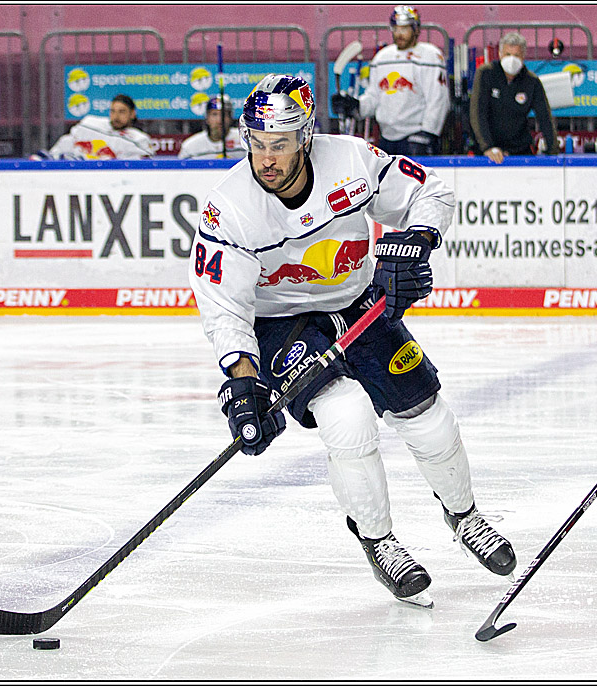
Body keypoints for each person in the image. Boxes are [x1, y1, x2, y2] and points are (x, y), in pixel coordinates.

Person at [188, 74, 515, 608]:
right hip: (283, 323)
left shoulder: (353, 162)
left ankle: (465, 516)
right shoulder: (229, 209)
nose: (266, 158)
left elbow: (430, 190)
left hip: (362, 304)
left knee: (427, 416)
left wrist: (415, 244)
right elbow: (224, 305)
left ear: (307, 136)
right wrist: (243, 383)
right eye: (257, 143)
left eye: (280, 143)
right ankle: (380, 541)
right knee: (348, 416)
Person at [330, 6, 450, 156]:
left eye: (404, 29)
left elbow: (437, 99)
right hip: (387, 138)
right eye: (396, 29)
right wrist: (356, 106)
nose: (399, 34)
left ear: (416, 29)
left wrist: (428, 132)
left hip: (417, 136)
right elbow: (374, 97)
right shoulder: (382, 58)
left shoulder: (430, 56)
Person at [470, 32, 559, 163]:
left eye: (516, 55)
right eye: (507, 54)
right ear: (500, 54)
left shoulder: (532, 82)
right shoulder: (485, 74)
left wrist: (553, 151)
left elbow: (544, 117)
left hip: (520, 151)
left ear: (523, 57)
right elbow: (477, 113)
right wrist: (488, 147)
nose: (511, 59)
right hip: (487, 152)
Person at [46, 94, 155, 160]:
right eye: (113, 111)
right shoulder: (90, 124)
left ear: (132, 114)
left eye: (122, 112)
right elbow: (66, 143)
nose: (116, 116)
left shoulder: (139, 140)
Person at [178, 95, 245, 159]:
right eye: (214, 114)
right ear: (207, 118)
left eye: (224, 114)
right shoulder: (190, 147)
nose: (219, 120)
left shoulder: (244, 140)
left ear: (230, 118)